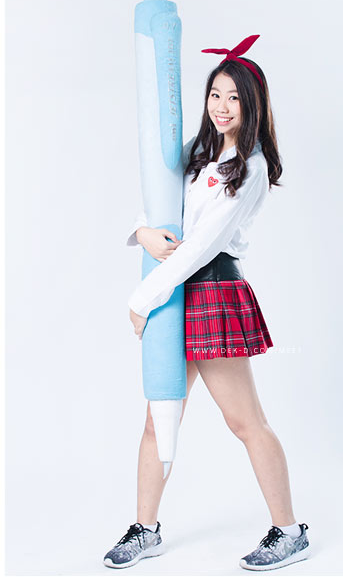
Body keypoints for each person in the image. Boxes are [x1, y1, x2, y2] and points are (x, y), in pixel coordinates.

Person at [103, 35, 310, 572]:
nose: (221, 106)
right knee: (159, 418)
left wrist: (143, 298)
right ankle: (146, 529)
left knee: (245, 422)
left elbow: (201, 246)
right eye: (215, 94)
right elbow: (160, 203)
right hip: (175, 289)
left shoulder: (251, 168)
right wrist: (141, 231)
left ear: (253, 103)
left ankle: (289, 531)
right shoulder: (198, 151)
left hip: (210, 291)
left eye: (234, 97)